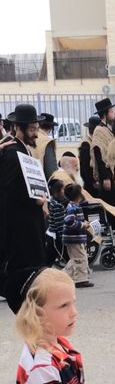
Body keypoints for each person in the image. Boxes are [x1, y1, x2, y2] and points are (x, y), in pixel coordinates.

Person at [0, 104, 47, 290]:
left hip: (27, 220)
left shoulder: (21, 148)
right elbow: (10, 191)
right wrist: (34, 200)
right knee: (24, 266)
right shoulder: (13, 152)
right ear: (19, 128)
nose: (36, 134)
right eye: (32, 130)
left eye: (37, 129)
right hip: (21, 224)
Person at [62, 183, 93, 289]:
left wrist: (84, 223)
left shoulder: (74, 206)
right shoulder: (72, 208)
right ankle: (80, 280)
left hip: (75, 237)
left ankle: (62, 276)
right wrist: (82, 224)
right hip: (74, 238)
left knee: (75, 259)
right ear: (79, 195)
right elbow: (69, 221)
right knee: (80, 258)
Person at [91, 98, 115, 199]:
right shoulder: (99, 131)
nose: (114, 113)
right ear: (105, 114)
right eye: (111, 111)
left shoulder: (108, 128)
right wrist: (106, 177)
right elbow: (99, 154)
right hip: (107, 177)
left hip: (113, 174)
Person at [46, 179, 67, 267]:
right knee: (50, 258)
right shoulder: (57, 206)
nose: (64, 191)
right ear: (57, 191)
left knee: (50, 258)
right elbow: (59, 224)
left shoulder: (53, 202)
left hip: (53, 234)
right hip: (55, 236)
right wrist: (64, 236)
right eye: (63, 189)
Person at [79, 115, 100, 193]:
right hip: (91, 183)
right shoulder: (86, 143)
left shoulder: (92, 141)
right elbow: (85, 166)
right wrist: (92, 181)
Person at [34, 112, 58, 179]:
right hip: (42, 181)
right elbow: (51, 172)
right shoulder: (47, 142)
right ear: (51, 128)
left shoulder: (30, 137)